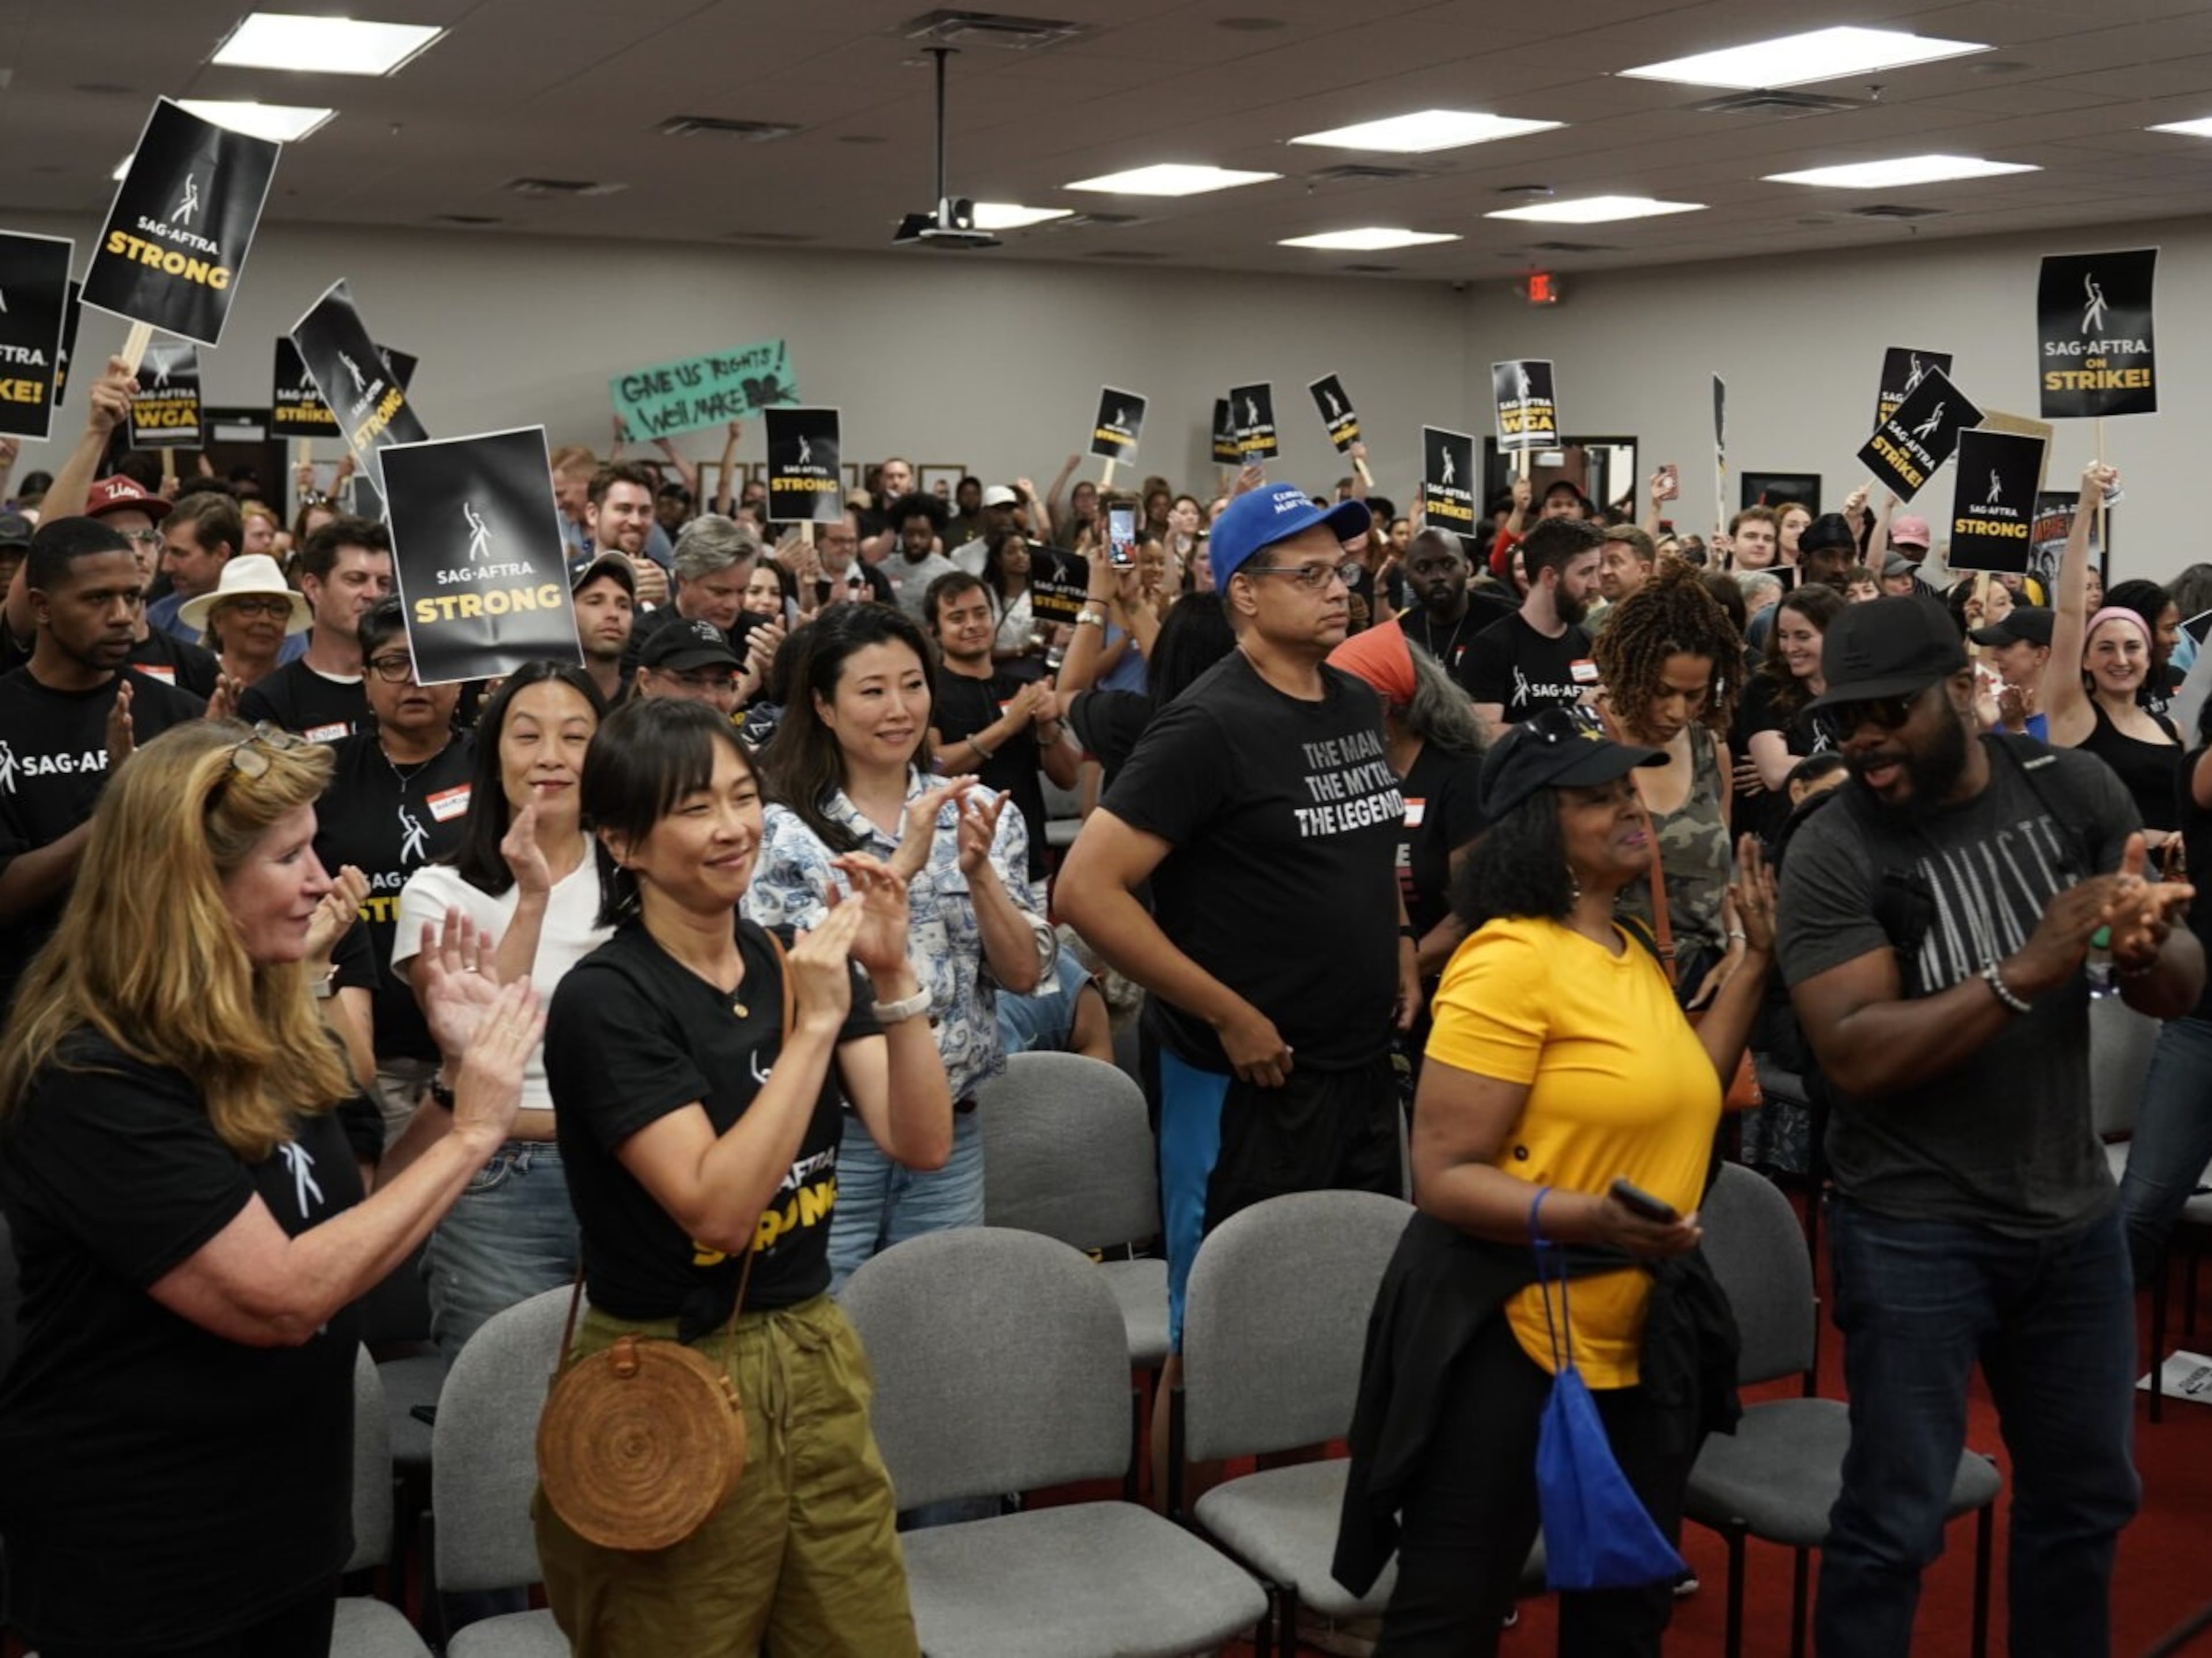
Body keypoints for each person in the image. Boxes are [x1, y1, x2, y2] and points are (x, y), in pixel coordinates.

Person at [0, 719, 539, 1658]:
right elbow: (280, 1297)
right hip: (150, 1558)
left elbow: (355, 1235)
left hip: (285, 1523)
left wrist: (452, 1092)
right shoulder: (92, 1072)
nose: (322, 881)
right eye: (290, 854)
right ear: (189, 885)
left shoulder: (267, 1019)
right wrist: (481, 1134)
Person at [1778, 595, 2200, 1657]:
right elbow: (1856, 1051)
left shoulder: (2074, 789)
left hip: (2068, 1218)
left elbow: (2175, 989)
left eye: (1890, 710)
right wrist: (2024, 970)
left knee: (2086, 1499)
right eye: (1843, 719)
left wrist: (2147, 941)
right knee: (1894, 1520)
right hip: (1914, 1223)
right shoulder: (1833, 848)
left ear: (1963, 692)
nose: (1863, 737)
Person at [1335, 705, 1774, 1654]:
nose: (1633, 808)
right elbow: (1445, 1177)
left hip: (1637, 1331)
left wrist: (1754, 963)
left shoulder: (1626, 949)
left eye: (1629, 791)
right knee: (1450, 1614)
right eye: (1599, 797)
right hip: (1509, 1333)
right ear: (1539, 827)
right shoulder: (1506, 962)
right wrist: (1595, 1217)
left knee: (1625, 1614)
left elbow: (1692, 1087)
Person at [529, 698, 947, 1655]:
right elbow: (717, 1210)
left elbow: (918, 1140)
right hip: (670, 1364)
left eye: (743, 795)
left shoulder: (783, 955)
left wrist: (893, 981)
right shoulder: (607, 999)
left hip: (809, 1343)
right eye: (694, 807)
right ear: (622, 840)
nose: (733, 827)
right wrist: (809, 1029)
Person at [1058, 482, 1419, 1480]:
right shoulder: (1206, 724)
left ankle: (1282, 1550)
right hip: (1243, 1079)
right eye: (1307, 574)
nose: (1336, 589)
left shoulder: (1353, 698)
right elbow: (1086, 890)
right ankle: (1170, 1551)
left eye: (1341, 569)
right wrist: (1227, 1010)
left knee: (1321, 1322)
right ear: (1243, 593)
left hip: (1349, 1066)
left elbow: (1366, 837)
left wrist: (1391, 934)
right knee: (1216, 1328)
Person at [747, 603, 1050, 1289]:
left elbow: (1027, 974)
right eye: (873, 690)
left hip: (951, 1127)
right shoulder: (780, 829)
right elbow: (793, 979)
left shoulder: (974, 809)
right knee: (828, 1331)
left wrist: (978, 877)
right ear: (823, 707)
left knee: (939, 1329)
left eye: (913, 685)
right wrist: (906, 862)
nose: (899, 709)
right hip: (830, 1136)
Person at [392, 664, 612, 1357]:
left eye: (575, 736)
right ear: (491, 755)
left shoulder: (642, 879)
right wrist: (533, 900)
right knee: (506, 1419)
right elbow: (480, 1053)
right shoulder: (439, 890)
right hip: (495, 1183)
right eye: (527, 736)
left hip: (631, 1167)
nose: (551, 754)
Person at [0, 517, 208, 1009]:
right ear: (42, 607)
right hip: (26, 1012)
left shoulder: (181, 714)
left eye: (133, 596)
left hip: (156, 1003)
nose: (121, 615)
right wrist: (123, 803)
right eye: (97, 599)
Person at [317, 597, 474, 1141]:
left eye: (430, 664)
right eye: (392, 664)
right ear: (364, 679)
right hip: (362, 1049)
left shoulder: (498, 769)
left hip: (471, 1053)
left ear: (460, 681)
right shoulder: (324, 774)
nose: (413, 680)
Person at [1594, 562, 1747, 1002]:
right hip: (1609, 994)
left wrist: (1737, 944)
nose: (1677, 712)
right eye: (1663, 692)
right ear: (1632, 669)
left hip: (1702, 990)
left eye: (1695, 695)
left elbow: (1722, 873)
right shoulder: (1586, 746)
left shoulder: (1709, 750)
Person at [2043, 465, 2184, 862]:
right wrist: (2086, 508)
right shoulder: (2072, 715)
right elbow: (2070, 610)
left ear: (2147, 653)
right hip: (2099, 888)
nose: (2120, 659)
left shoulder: (2172, 729)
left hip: (2171, 895)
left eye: (2132, 647)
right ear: (2085, 659)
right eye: (2105, 648)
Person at [925, 570, 1078, 887]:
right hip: (954, 866)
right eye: (957, 617)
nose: (972, 625)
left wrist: (1048, 726)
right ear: (935, 631)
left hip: (1028, 860)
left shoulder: (1022, 688)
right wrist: (1007, 727)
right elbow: (933, 766)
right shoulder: (926, 692)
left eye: (980, 613)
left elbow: (1068, 778)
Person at [237, 515, 394, 742]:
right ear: (313, 588)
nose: (373, 594)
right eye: (356, 579)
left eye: (383, 583)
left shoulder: (404, 687)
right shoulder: (270, 701)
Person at [1465, 517, 1601, 733]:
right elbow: (1484, 735)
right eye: (1586, 572)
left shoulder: (1591, 645)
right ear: (1549, 577)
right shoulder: (1491, 647)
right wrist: (1569, 721)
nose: (1596, 584)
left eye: (1597, 571)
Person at [1734, 583, 1844, 839]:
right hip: (1788, 837)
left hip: (1849, 835)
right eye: (1783, 635)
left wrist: (1804, 766)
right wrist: (1858, 767)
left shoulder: (1857, 687)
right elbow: (1774, 772)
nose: (1790, 647)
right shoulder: (1766, 688)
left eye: (1802, 636)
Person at [1399, 528, 1513, 698]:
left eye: (1448, 564)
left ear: (1467, 568)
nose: (1438, 576)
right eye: (1424, 568)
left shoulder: (1505, 621)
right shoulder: (1402, 631)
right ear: (1408, 578)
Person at [179, 551, 310, 690]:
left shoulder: (299, 690)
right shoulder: (190, 683)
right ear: (218, 620)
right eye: (249, 607)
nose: (265, 620)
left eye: (278, 609)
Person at [149, 491, 240, 642]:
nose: (166, 567)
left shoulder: (268, 624)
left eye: (179, 553)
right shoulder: (157, 620)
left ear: (221, 553)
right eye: (165, 552)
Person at [1969, 605, 2054, 740]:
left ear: (2040, 655)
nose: (1994, 656)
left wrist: (2016, 731)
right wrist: (1983, 727)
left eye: (2005, 646)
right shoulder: (1998, 715)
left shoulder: (2066, 724)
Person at [979, 526, 1048, 681]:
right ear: (998, 559)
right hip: (993, 673)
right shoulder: (985, 595)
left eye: (1025, 550)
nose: (1020, 556)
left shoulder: (1041, 593)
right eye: (1011, 552)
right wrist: (1022, 650)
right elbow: (981, 649)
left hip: (1031, 673)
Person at [570, 551, 637, 706]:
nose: (613, 614)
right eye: (595, 602)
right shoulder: (540, 705)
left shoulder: (642, 714)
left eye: (623, 606)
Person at [881, 491, 959, 620]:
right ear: (901, 533)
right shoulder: (883, 571)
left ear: (933, 533)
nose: (916, 541)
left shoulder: (950, 574)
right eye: (910, 533)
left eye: (923, 534)